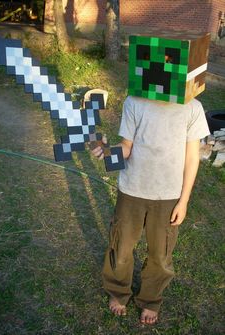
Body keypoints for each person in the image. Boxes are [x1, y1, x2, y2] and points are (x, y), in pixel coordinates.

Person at [92, 33, 210, 325]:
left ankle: (151, 299)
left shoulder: (192, 108)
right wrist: (107, 152)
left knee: (161, 255)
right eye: (158, 63)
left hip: (167, 196)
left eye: (170, 64)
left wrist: (183, 201)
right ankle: (118, 292)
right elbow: (127, 147)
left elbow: (192, 157)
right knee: (121, 247)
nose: (163, 70)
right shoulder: (135, 101)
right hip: (132, 190)